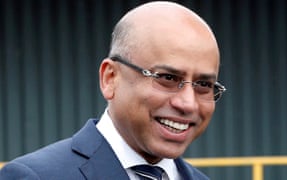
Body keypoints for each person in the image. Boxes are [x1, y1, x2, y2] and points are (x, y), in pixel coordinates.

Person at [0, 1, 226, 179]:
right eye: (167, 78)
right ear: (110, 78)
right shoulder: (36, 177)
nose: (188, 103)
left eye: (203, 85)